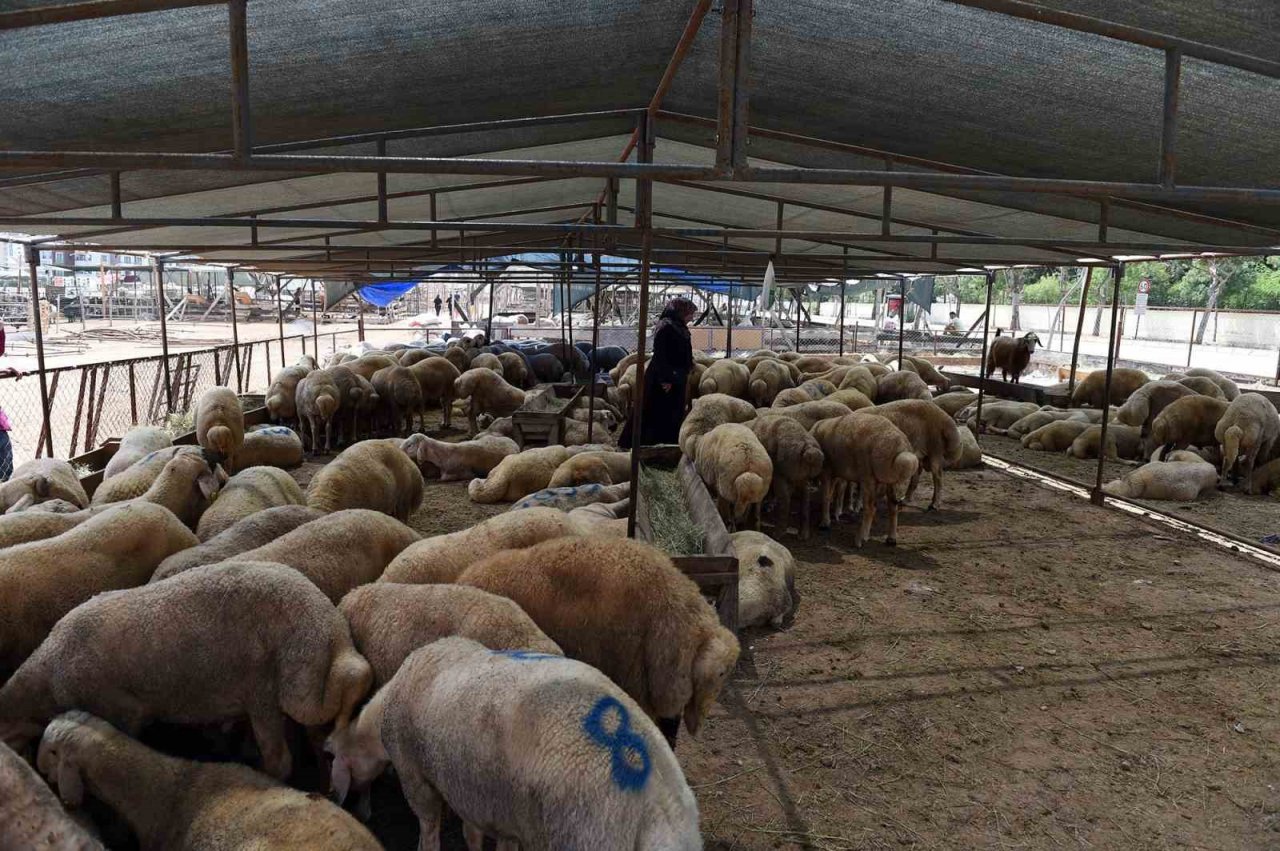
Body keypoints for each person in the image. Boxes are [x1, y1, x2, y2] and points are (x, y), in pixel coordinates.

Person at [620, 297, 696, 449]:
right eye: (690, 313)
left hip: (677, 377)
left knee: (673, 413)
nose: (692, 317)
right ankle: (646, 446)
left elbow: (683, 351)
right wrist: (665, 379)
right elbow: (661, 355)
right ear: (680, 312)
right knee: (656, 411)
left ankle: (668, 446)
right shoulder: (666, 327)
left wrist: (689, 362)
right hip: (663, 378)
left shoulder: (680, 327)